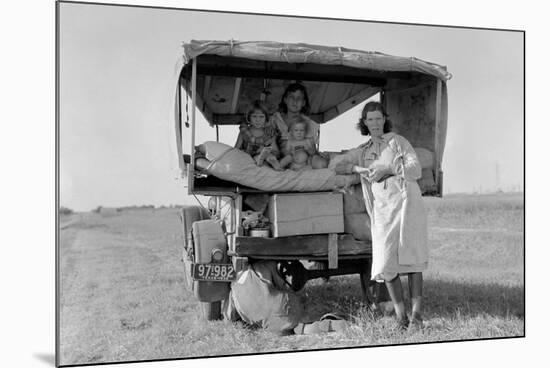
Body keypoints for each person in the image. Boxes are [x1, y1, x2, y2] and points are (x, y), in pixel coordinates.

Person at [334, 101, 429, 331]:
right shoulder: (363, 151)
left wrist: (389, 169)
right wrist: (359, 170)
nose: (375, 123)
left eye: (378, 118)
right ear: (364, 123)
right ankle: (400, 316)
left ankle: (416, 317)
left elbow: (415, 169)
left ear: (384, 119)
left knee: (412, 256)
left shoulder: (397, 142)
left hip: (407, 203)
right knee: (386, 262)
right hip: (383, 208)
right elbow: (336, 165)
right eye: (370, 119)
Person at [235, 100, 282, 170]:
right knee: (249, 157)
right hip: (247, 159)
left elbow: (277, 152)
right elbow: (236, 150)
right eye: (254, 116)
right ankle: (258, 159)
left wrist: (268, 151)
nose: (258, 120)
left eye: (261, 117)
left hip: (264, 160)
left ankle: (274, 163)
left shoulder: (269, 134)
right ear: (249, 117)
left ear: (266, 118)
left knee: (269, 156)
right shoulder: (244, 133)